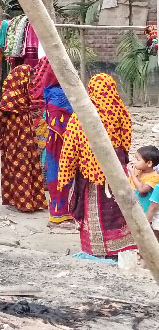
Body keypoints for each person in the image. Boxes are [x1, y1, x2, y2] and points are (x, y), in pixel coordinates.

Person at [58, 73, 135, 258]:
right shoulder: (120, 110)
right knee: (118, 210)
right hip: (117, 171)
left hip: (91, 173)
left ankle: (98, 249)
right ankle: (122, 247)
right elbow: (126, 141)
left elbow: (70, 147)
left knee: (96, 208)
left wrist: (66, 173)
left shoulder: (83, 116)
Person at [0, 64, 48, 213]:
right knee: (20, 167)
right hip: (15, 139)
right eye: (29, 77)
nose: (31, 81)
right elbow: (1, 119)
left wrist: (27, 116)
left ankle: (34, 201)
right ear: (21, 78)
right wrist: (3, 139)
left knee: (31, 166)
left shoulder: (23, 95)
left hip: (27, 137)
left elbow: (20, 112)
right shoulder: (9, 97)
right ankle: (23, 203)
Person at [32, 57, 76, 228]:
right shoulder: (59, 94)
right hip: (61, 140)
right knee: (61, 175)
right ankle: (58, 215)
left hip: (56, 140)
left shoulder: (51, 91)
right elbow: (59, 122)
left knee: (60, 175)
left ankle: (63, 212)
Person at [128, 145, 159, 212]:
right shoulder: (137, 170)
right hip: (133, 207)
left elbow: (142, 189)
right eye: (134, 158)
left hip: (144, 210)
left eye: (138, 160)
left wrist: (132, 174)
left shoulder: (155, 177)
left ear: (149, 163)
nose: (134, 161)